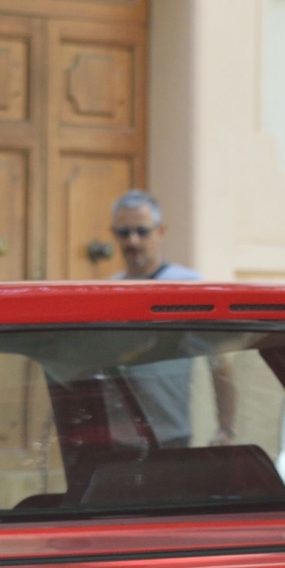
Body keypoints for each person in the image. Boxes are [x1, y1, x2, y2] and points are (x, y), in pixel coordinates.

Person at [103, 191, 236, 447]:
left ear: (161, 231)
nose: (133, 241)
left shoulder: (187, 287)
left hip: (170, 437)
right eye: (124, 232)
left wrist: (226, 430)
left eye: (142, 231)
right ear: (113, 234)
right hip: (118, 442)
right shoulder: (110, 291)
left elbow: (219, 362)